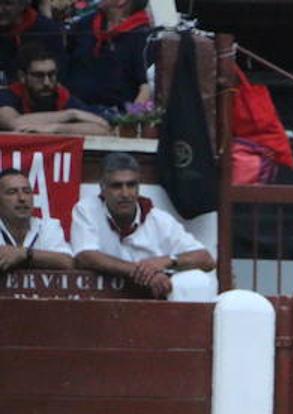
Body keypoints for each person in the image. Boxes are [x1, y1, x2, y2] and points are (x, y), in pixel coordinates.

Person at [71, 153, 217, 301]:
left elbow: (206, 259)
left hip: (151, 306)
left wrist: (166, 261)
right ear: (102, 187)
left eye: (131, 185)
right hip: (101, 304)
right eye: (117, 186)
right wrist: (144, 273)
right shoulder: (87, 209)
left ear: (138, 186)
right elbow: (85, 256)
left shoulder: (159, 219)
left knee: (196, 280)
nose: (125, 193)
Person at [63, 0, 153, 112]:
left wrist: (131, 119)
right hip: (73, 111)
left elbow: (146, 89)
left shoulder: (142, 36)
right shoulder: (85, 23)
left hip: (115, 116)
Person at [0, 43, 109, 135]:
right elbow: (14, 123)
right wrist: (69, 115)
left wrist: (56, 128)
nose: (47, 82)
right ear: (22, 77)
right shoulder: (7, 96)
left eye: (51, 75)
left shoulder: (61, 96)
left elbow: (103, 128)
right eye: (39, 75)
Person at [0, 167, 73, 270]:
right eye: (12, 192)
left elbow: (67, 262)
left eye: (27, 192)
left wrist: (24, 254)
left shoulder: (48, 227)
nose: (22, 198)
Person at [0, 0, 63, 84]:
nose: (0, 10)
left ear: (23, 5)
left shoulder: (47, 31)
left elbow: (57, 75)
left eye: (8, 3)